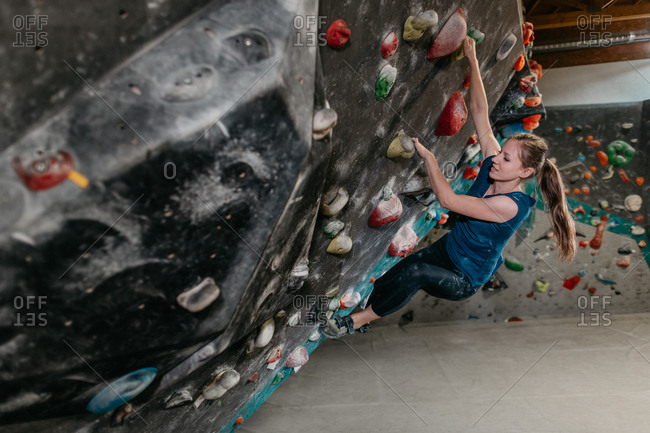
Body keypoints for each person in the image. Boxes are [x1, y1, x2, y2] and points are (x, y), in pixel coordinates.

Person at [320, 36, 576, 338]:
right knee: (399, 272)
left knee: (415, 274)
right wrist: (472, 59)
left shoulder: (510, 205)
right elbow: (480, 114)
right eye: (501, 153)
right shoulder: (495, 164)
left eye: (506, 159)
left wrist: (429, 158)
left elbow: (447, 198)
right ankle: (365, 311)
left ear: (525, 172)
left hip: (464, 275)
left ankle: (356, 322)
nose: (496, 160)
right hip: (450, 249)